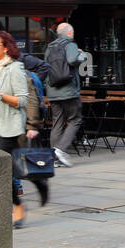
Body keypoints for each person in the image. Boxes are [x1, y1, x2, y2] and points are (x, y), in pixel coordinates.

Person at [0, 31, 44, 228]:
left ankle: (18, 206)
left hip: (9, 127)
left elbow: (23, 100)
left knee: (5, 172)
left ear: (6, 48)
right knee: (6, 171)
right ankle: (34, 184)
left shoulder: (14, 68)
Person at [44, 22, 88, 167]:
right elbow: (73, 59)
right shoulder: (70, 43)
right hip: (68, 90)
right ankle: (61, 151)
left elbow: (46, 68)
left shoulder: (50, 47)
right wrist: (81, 54)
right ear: (70, 33)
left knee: (58, 122)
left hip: (53, 90)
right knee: (75, 119)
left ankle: (54, 158)